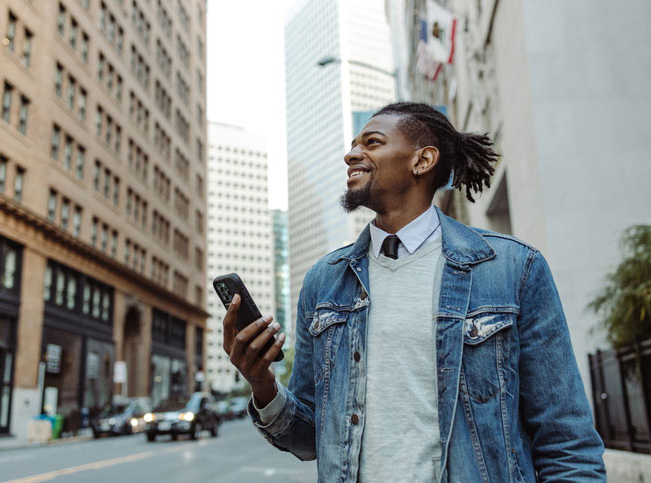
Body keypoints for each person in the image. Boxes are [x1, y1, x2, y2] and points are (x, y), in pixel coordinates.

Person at [222, 102, 606, 482]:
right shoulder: (324, 281)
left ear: (422, 160)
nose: (350, 153)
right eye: (354, 143)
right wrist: (263, 383)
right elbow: (308, 440)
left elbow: (566, 443)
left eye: (372, 142)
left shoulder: (511, 268)